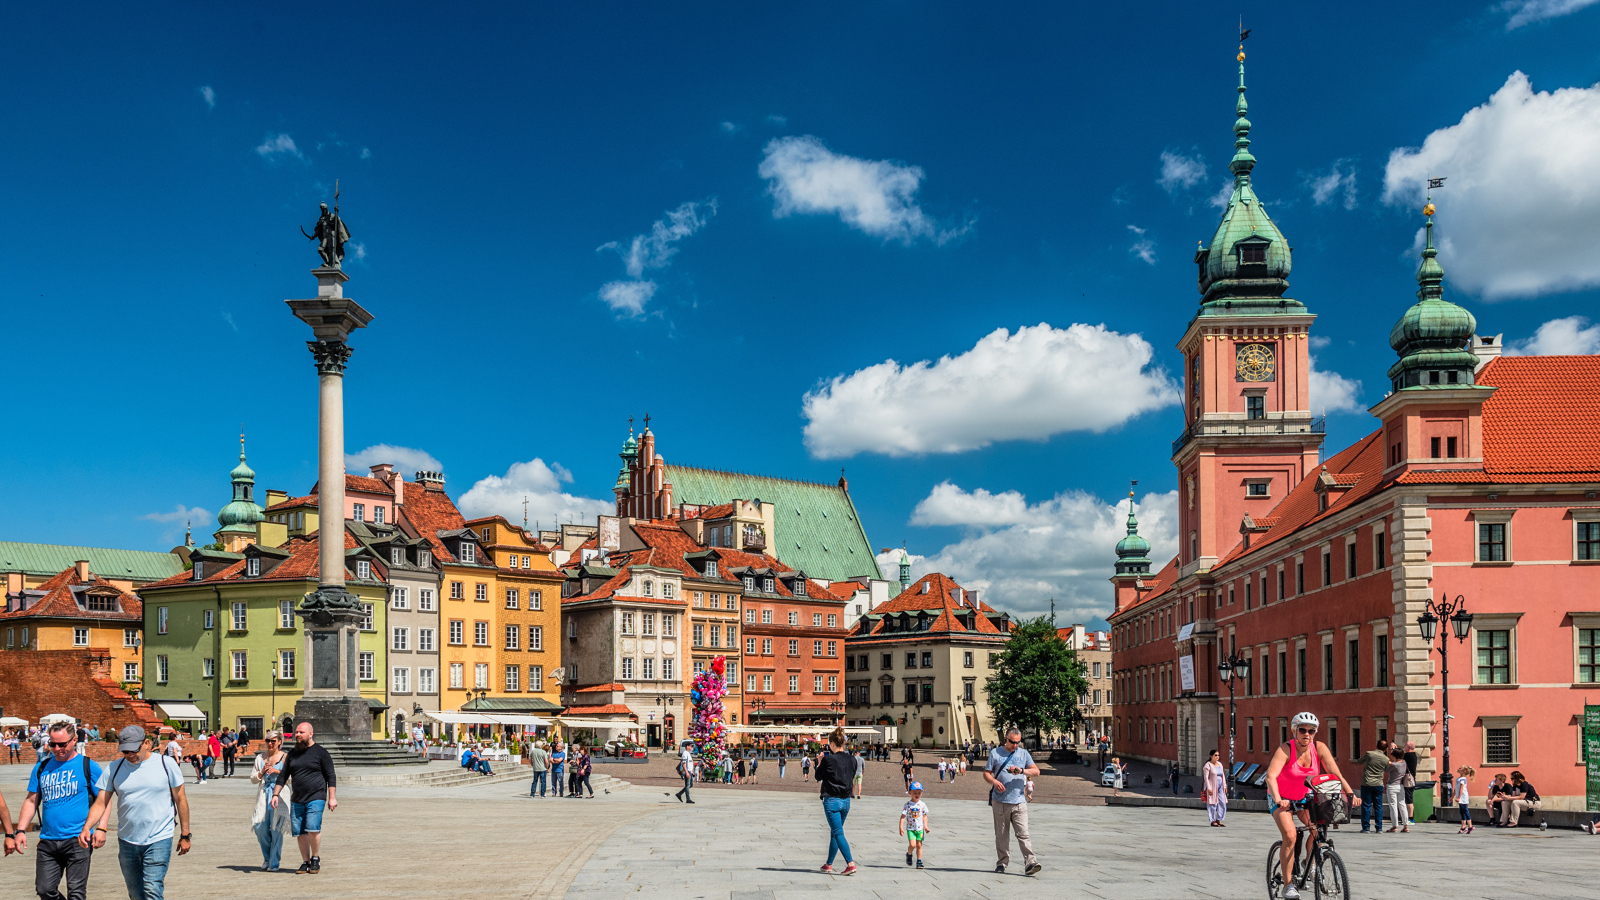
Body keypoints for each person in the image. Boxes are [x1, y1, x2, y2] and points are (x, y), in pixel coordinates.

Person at [80, 726, 190, 900]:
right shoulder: (114, 768)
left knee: (152, 889)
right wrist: (88, 827)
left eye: (134, 750)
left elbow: (181, 800)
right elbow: (101, 802)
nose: (130, 755)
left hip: (159, 837)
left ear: (146, 743)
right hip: (127, 840)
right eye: (125, 751)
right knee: (135, 893)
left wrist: (185, 835)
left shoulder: (165, 764)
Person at [1264, 713, 1359, 900]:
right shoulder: (1285, 749)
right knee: (1290, 836)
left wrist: (1350, 794)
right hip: (1281, 797)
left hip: (1305, 797)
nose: (1307, 734)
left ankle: (1311, 860)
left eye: (1311, 731)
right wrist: (1278, 799)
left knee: (1319, 831)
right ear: (1294, 731)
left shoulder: (1319, 748)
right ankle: (1288, 884)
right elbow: (1271, 776)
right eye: (1302, 730)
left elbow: (1335, 773)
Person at [14, 722, 103, 900]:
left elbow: (103, 801)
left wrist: (101, 828)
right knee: (44, 889)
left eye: (62, 744)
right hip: (48, 840)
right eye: (53, 744)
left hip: (78, 838)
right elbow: (31, 801)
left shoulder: (89, 766)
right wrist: (21, 830)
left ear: (74, 740)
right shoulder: (42, 768)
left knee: (76, 894)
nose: (57, 748)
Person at [271, 722, 337, 875]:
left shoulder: (321, 753)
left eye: (301, 732)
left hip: (316, 796)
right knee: (300, 832)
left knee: (313, 827)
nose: (298, 735)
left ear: (310, 734)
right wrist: (275, 794)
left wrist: (332, 797)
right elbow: (283, 776)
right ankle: (305, 861)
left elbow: (331, 776)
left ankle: (315, 858)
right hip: (297, 798)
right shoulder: (293, 754)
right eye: (296, 732)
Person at [984, 727, 1042, 876]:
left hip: (1019, 801)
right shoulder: (995, 753)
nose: (1015, 745)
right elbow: (986, 774)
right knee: (1002, 835)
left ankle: (1030, 862)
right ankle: (1002, 863)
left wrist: (1021, 771)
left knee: (1023, 833)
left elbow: (1036, 771)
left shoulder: (1023, 754)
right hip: (1000, 801)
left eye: (1017, 742)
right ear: (1006, 739)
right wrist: (994, 782)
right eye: (1012, 742)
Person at [815, 727, 857, 875]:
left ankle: (850, 863)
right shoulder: (852, 759)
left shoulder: (828, 759)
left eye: (829, 744)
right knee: (835, 832)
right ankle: (828, 864)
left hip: (831, 800)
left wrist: (820, 762)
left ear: (832, 744)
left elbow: (818, 776)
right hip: (846, 801)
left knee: (838, 832)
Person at [249, 731, 290, 869]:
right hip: (264, 794)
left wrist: (278, 772)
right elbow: (253, 779)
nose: (270, 743)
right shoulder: (260, 758)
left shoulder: (285, 757)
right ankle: (267, 857)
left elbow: (292, 777)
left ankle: (274, 862)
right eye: (268, 741)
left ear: (279, 742)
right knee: (259, 826)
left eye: (273, 741)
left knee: (276, 829)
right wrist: (262, 772)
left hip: (280, 795)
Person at [1358, 739, 1389, 833]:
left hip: (1367, 783)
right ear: (1386, 749)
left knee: (1366, 805)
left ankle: (1366, 827)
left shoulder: (1369, 754)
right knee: (1378, 806)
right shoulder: (1386, 759)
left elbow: (1359, 761)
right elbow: (1386, 769)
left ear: (1377, 745)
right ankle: (1379, 828)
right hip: (1379, 784)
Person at [900, 781, 931, 868]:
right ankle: (909, 854)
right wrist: (901, 827)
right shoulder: (908, 804)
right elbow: (903, 816)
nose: (917, 794)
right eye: (914, 793)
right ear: (910, 793)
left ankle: (919, 861)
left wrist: (926, 826)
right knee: (913, 845)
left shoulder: (922, 804)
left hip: (920, 828)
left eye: (919, 793)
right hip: (911, 828)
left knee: (919, 845)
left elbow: (925, 816)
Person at [1383, 746, 1408, 833]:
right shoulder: (1404, 763)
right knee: (1402, 805)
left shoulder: (1394, 765)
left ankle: (1394, 826)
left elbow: (1386, 770)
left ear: (1394, 756)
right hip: (1400, 786)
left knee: (1393, 806)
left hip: (1392, 786)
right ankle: (1405, 825)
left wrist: (1389, 763)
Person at [1202, 749, 1228, 826]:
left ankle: (1219, 819)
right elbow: (1206, 778)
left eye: (1218, 755)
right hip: (1212, 786)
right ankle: (1213, 820)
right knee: (1212, 803)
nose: (1217, 757)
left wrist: (1225, 786)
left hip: (1220, 786)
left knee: (1222, 802)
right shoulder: (1207, 765)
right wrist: (1209, 788)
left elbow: (1223, 775)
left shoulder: (1220, 764)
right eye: (1215, 755)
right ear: (1211, 756)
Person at [1402, 740, 1419, 825]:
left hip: (1408, 780)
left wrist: (1393, 749)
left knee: (1408, 799)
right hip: (1412, 779)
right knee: (1409, 798)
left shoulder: (1408, 755)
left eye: (1405, 745)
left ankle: (1410, 818)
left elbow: (1399, 760)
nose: (1404, 746)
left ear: (1408, 747)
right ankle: (1408, 817)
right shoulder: (1414, 755)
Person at [1455, 765, 1475, 835]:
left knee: (1465, 811)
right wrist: (1452, 796)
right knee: (1462, 811)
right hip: (1460, 797)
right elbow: (1456, 788)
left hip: (1463, 797)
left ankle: (1470, 826)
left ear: (1464, 771)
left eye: (1460, 768)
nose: (1458, 768)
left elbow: (1461, 788)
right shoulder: (1458, 779)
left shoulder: (1463, 779)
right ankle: (1463, 826)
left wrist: (1459, 797)